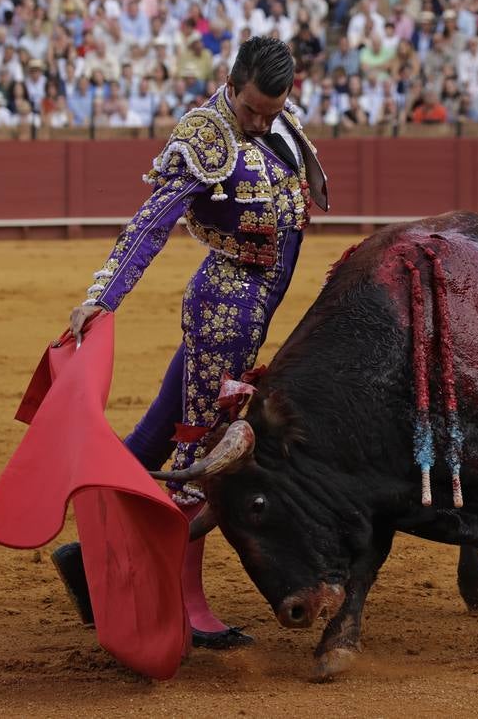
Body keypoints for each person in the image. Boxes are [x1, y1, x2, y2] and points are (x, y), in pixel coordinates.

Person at [52, 37, 329, 649]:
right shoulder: (205, 135)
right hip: (223, 311)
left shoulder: (281, 125)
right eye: (251, 108)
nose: (259, 121)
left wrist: (272, 122)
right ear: (230, 84)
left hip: (251, 310)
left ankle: (87, 558)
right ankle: (186, 604)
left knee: (155, 435)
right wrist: (105, 295)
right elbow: (150, 223)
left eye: (271, 109)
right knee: (201, 456)